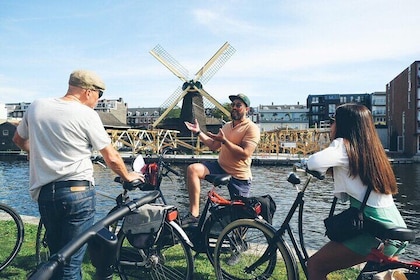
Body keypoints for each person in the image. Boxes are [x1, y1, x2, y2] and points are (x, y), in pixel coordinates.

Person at [12, 70, 144, 280]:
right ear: (88, 92)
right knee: (72, 263)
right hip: (77, 193)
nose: (97, 101)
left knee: (57, 257)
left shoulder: (37, 106)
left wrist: (33, 152)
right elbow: (111, 156)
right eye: (99, 96)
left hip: (46, 194)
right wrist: (127, 176)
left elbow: (18, 140)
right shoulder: (86, 114)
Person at [306, 103, 407, 280]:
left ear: (343, 124)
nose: (331, 125)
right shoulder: (372, 150)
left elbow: (314, 162)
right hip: (394, 226)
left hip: (374, 229)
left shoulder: (343, 145)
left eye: (333, 121)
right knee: (381, 276)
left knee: (315, 265)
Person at [183, 93, 260, 225]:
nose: (234, 108)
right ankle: (194, 214)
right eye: (233, 105)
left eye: (238, 105)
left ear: (247, 109)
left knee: (240, 217)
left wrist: (225, 141)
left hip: (239, 176)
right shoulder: (227, 126)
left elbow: (245, 154)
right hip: (220, 167)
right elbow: (213, 145)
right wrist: (198, 132)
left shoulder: (251, 128)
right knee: (193, 169)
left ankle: (238, 241)